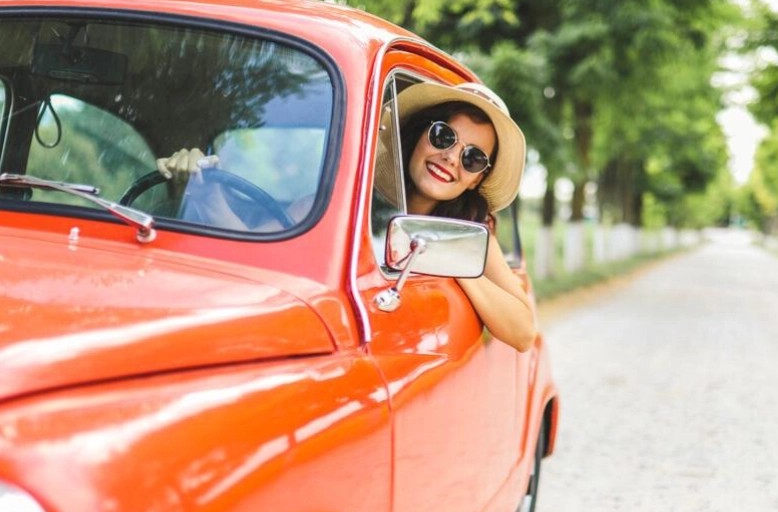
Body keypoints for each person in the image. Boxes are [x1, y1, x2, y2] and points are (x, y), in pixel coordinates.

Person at [157, 80, 536, 352]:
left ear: (476, 180)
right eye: (443, 137)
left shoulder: (468, 239)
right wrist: (206, 192)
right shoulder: (341, 206)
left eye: (473, 158)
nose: (452, 158)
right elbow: (254, 254)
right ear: (420, 137)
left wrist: (449, 262)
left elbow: (523, 332)